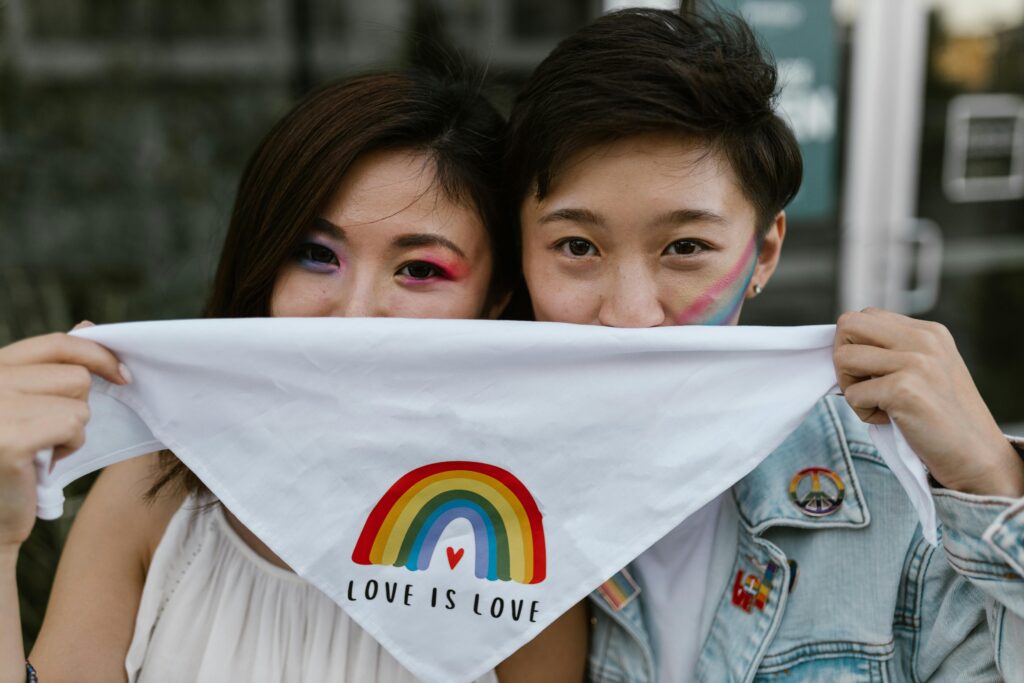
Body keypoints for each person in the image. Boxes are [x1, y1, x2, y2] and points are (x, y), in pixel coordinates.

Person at [0, 71, 587, 683]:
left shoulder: (525, 540)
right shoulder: (160, 490)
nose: (354, 314)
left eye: (419, 269)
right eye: (315, 254)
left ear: (495, 300)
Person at [504, 8, 1024, 682]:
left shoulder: (901, 499)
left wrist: (994, 480)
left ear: (766, 251)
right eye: (577, 246)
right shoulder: (473, 489)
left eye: (685, 247)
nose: (631, 315)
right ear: (520, 251)